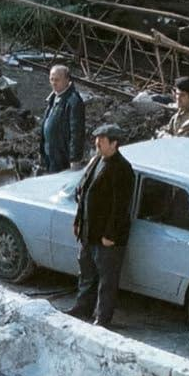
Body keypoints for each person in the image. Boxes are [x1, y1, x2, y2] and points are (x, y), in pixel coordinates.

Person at [67, 124, 135, 329]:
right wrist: (78, 221)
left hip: (106, 237)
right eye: (97, 140)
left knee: (107, 280)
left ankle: (103, 318)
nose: (97, 143)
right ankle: (82, 309)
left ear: (114, 144)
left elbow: (120, 207)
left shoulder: (122, 169)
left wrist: (110, 235)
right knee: (86, 273)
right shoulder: (96, 160)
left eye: (102, 140)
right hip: (89, 232)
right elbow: (83, 193)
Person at [39, 64, 85, 173]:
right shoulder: (53, 97)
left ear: (67, 80)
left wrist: (74, 159)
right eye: (51, 79)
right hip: (50, 155)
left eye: (57, 80)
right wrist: (42, 151)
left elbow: (77, 133)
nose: (53, 83)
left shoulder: (73, 101)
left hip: (62, 157)